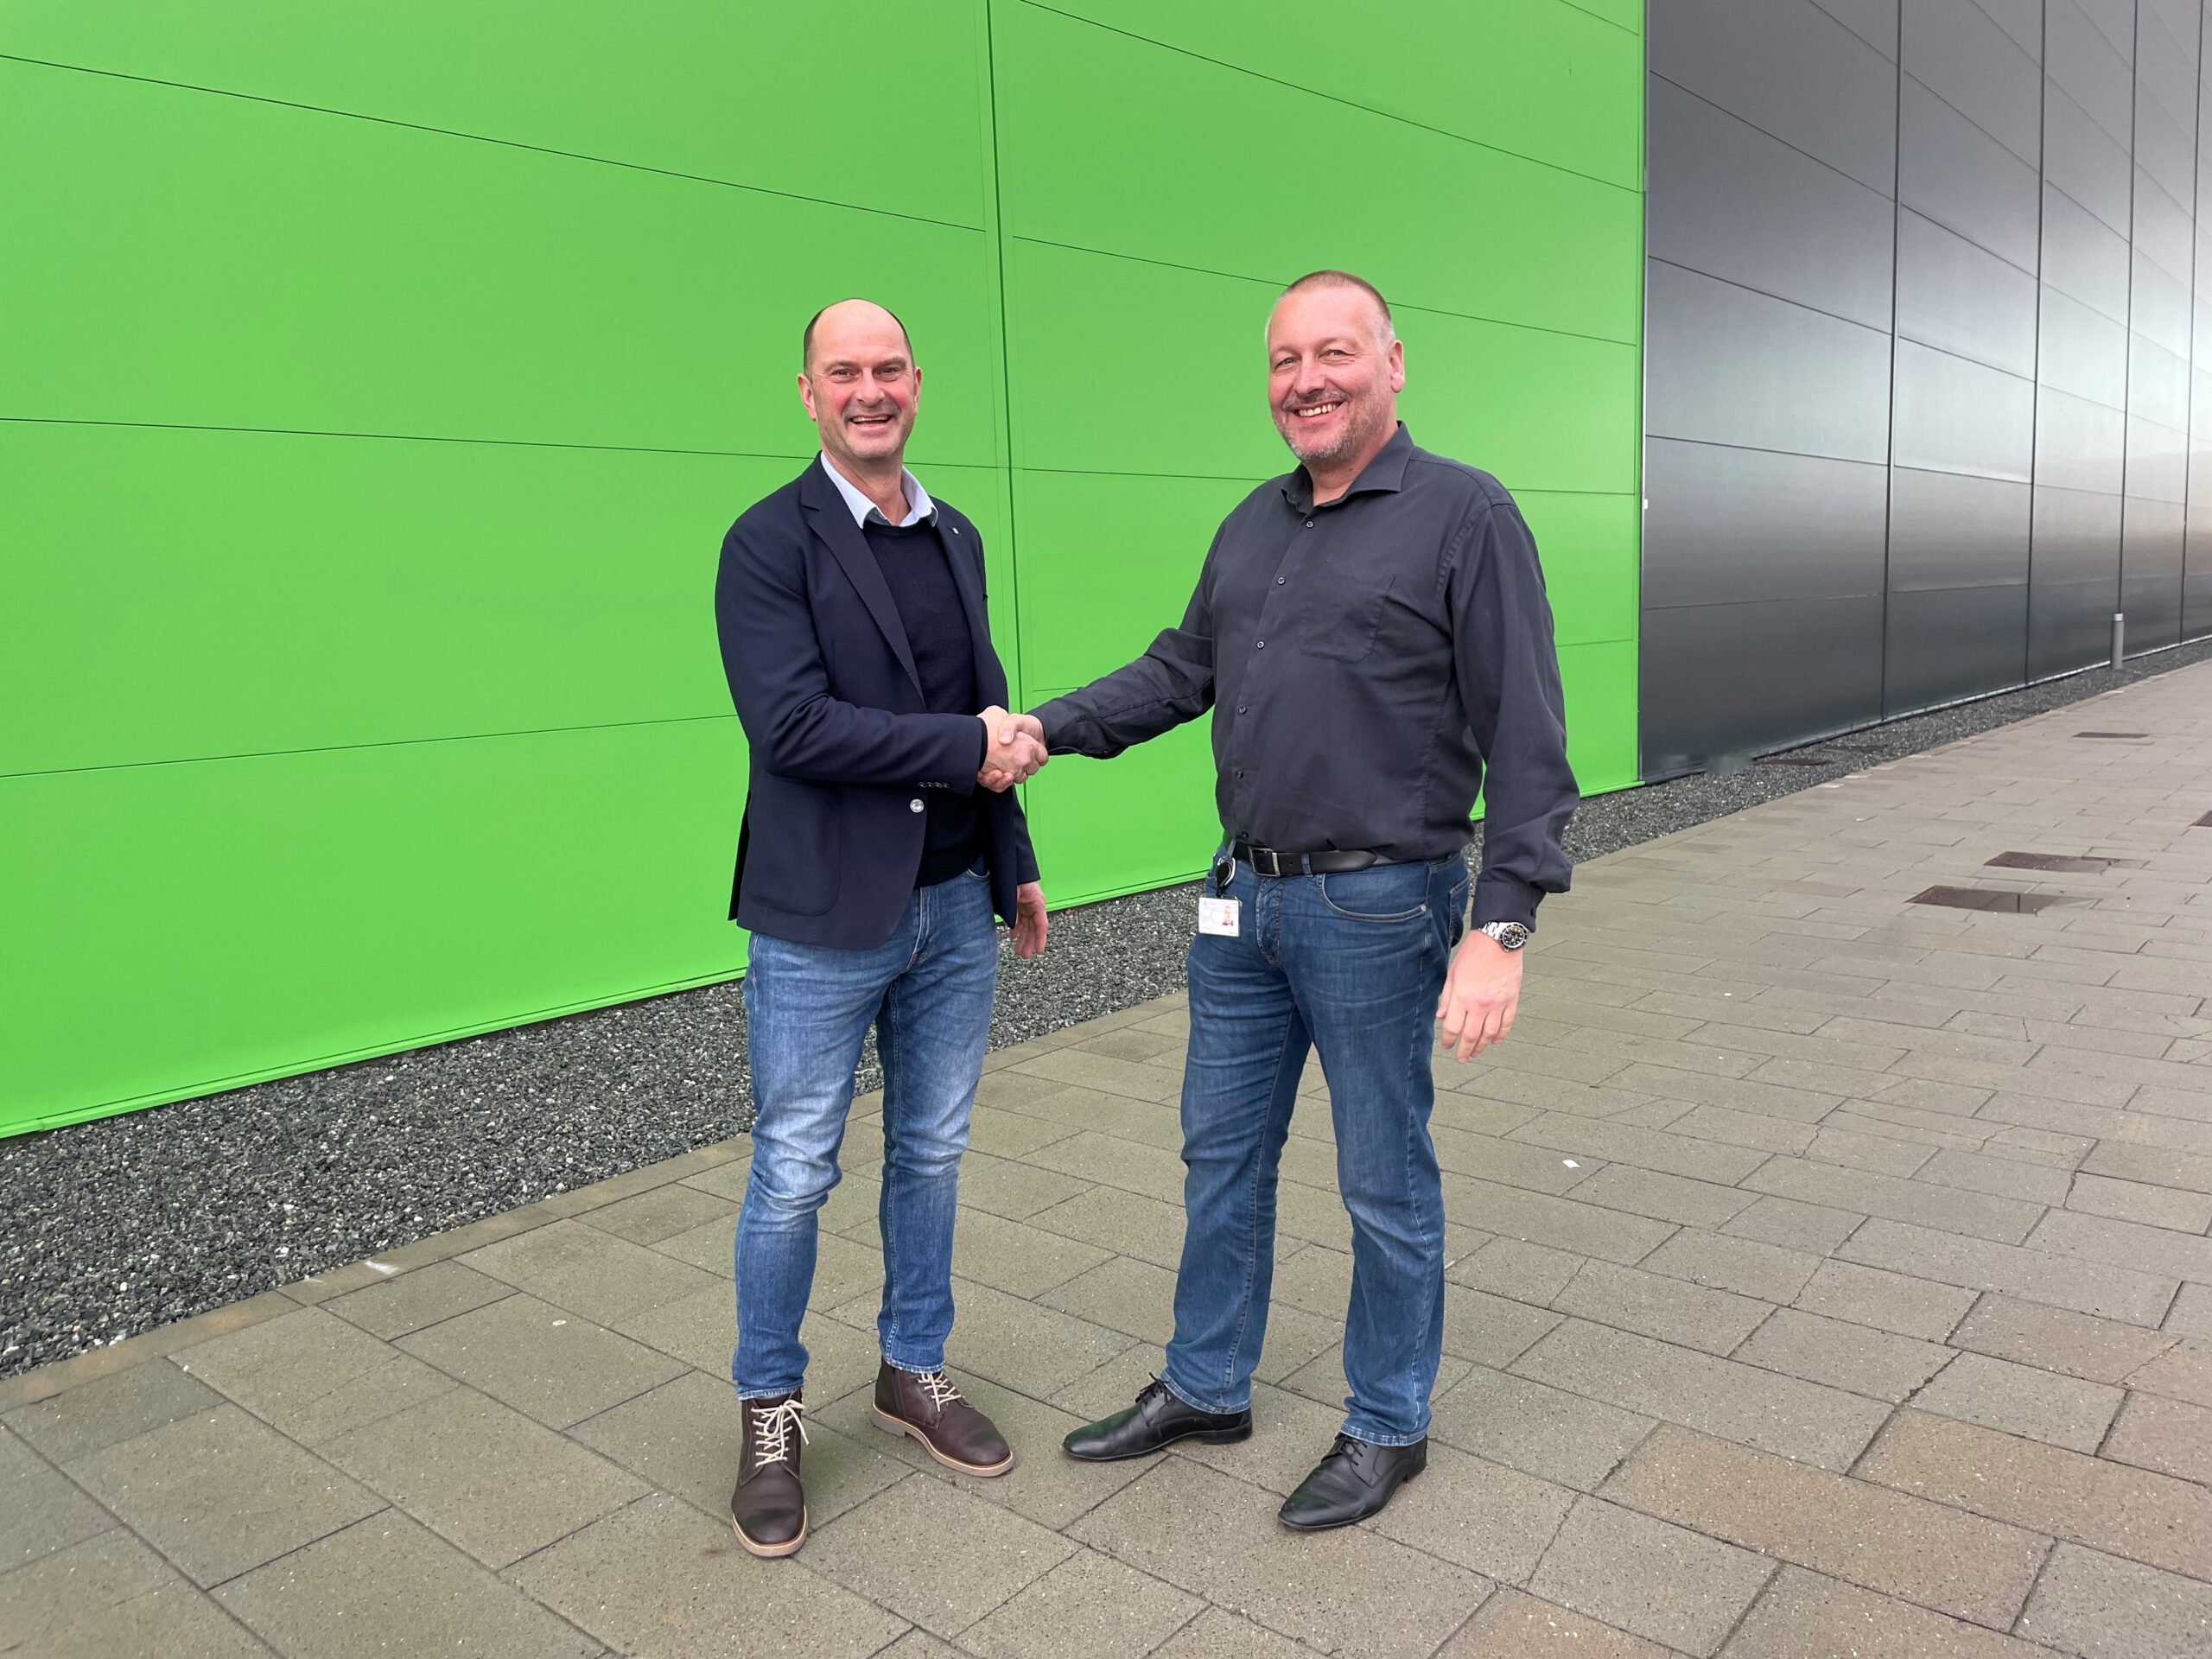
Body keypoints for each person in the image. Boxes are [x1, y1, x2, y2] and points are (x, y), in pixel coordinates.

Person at [1010, 270, 1577, 1530]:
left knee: (1383, 1178)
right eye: (1285, 361)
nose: (1306, 381)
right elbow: (1179, 670)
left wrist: (1503, 924)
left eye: (1334, 353)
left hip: (1381, 909)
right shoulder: (1253, 524)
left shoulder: (1465, 515)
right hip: (1242, 908)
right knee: (1220, 1157)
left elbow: (1529, 734)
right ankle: (1207, 1384)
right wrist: (1047, 726)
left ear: (1393, 363)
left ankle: (1388, 1421)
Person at [714, 298, 1051, 1557]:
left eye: (890, 368)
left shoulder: (954, 533)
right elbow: (792, 726)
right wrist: (966, 746)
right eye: (843, 371)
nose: (870, 390)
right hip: (823, 918)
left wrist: (1014, 863)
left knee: (932, 1152)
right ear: (808, 393)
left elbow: (984, 701)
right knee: (795, 1168)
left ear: (918, 382)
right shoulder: (767, 542)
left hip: (954, 906)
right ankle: (769, 1410)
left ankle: (913, 1369)